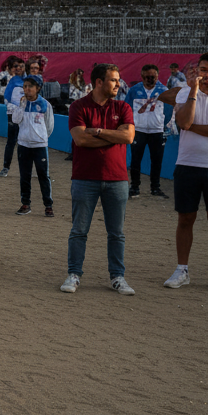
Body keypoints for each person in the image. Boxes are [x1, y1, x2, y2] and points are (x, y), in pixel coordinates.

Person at [160, 53, 208, 293]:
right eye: (203, 69)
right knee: (185, 219)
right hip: (187, 165)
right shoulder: (185, 93)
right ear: (197, 71)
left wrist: (191, 127)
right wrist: (193, 92)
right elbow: (183, 121)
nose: (207, 74)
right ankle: (182, 270)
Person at [61, 64, 136, 296]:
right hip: (84, 178)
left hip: (117, 178)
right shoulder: (79, 106)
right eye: (113, 80)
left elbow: (128, 137)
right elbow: (81, 140)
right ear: (99, 82)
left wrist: (99, 132)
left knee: (116, 233)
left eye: (118, 80)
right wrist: (115, 137)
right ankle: (74, 274)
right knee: (79, 230)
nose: (118, 84)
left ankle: (117, 276)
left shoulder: (123, 107)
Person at [11, 76, 55, 217]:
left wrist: (41, 138)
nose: (27, 89)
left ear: (38, 88)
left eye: (30, 86)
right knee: (25, 176)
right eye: (25, 86)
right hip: (23, 145)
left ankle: (48, 205)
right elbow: (15, 120)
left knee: (43, 175)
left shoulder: (45, 104)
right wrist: (21, 106)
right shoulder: (21, 103)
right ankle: (25, 204)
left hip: (40, 146)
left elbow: (49, 125)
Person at [125, 64, 169, 199]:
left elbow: (170, 111)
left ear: (157, 76)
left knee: (157, 161)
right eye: (147, 77)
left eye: (153, 77)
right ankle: (134, 187)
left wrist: (165, 126)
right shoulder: (134, 90)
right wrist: (129, 126)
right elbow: (127, 108)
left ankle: (155, 188)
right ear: (142, 76)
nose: (150, 79)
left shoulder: (164, 91)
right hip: (138, 130)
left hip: (157, 131)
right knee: (135, 160)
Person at [0, 58, 25, 178]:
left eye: (21, 66)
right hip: (13, 115)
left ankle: (28, 169)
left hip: (27, 116)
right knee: (11, 141)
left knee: (26, 143)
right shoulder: (10, 80)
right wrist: (17, 110)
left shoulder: (30, 80)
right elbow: (7, 99)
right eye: (16, 66)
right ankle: (6, 167)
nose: (18, 68)